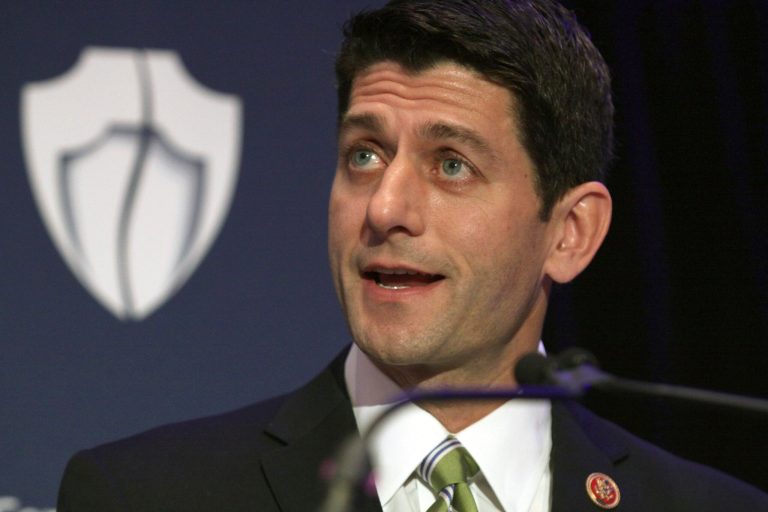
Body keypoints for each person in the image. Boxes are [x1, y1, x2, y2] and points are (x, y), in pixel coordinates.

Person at [58, 1, 768, 511]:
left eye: (451, 164)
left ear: (571, 232)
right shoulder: (145, 494)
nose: (386, 208)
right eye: (364, 155)